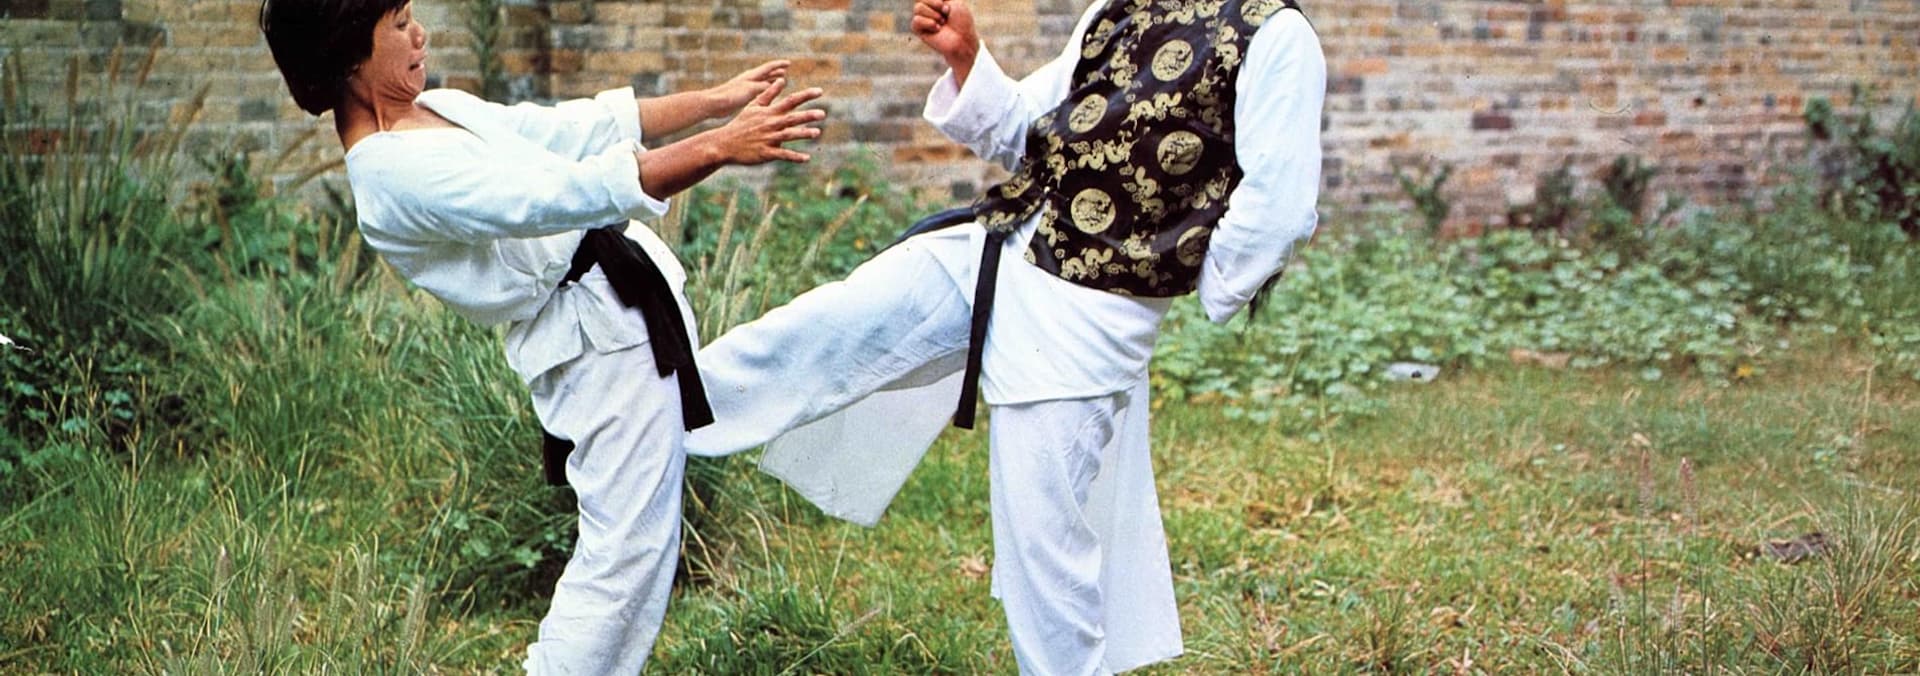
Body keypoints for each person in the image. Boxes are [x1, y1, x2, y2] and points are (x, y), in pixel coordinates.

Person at [683, 0, 1325, 672]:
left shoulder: (1275, 35)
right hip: (994, 244)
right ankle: (653, 412)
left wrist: (1166, 274)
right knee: (824, 326)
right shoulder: (1119, 8)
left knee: (1042, 552)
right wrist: (967, 59)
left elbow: (1279, 208)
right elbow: (1033, 133)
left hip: (1086, 319)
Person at [256, 0, 826, 670]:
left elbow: (572, 129)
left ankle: (886, 354)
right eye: (400, 24)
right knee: (624, 561)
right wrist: (720, 146)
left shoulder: (433, 109)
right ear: (350, 54)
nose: (420, 34)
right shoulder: (394, 177)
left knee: (750, 394)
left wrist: (715, 102)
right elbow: (565, 195)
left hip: (626, 306)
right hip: (596, 348)